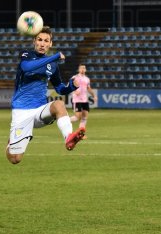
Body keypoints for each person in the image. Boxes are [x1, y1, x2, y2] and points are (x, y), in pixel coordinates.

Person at [6, 26, 85, 164]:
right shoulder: (26, 55)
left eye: (46, 41)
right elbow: (27, 68)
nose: (42, 43)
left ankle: (68, 138)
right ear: (34, 41)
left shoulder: (52, 65)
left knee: (59, 104)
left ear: (50, 44)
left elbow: (60, 88)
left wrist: (71, 86)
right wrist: (54, 57)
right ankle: (10, 143)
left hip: (39, 110)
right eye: (40, 40)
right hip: (21, 111)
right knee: (15, 159)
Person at [70, 63, 97, 138]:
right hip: (77, 100)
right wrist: (75, 91)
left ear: (85, 69)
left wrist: (94, 96)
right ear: (79, 69)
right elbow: (69, 86)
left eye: (84, 68)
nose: (82, 69)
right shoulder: (74, 77)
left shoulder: (87, 79)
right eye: (81, 68)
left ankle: (80, 134)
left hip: (85, 100)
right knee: (77, 117)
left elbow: (89, 88)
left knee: (84, 117)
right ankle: (65, 121)